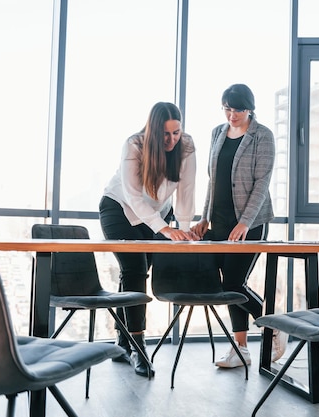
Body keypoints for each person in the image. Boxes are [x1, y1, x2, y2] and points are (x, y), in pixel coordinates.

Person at [99, 101, 198, 377]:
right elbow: (132, 196)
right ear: (153, 131)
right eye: (165, 135)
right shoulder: (134, 145)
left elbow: (187, 190)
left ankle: (123, 339)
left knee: (137, 271)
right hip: (118, 208)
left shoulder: (187, 146)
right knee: (135, 269)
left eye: (176, 133)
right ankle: (138, 348)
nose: (172, 140)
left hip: (155, 213)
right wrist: (165, 230)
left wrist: (184, 228)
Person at [191, 84, 286, 368]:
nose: (232, 116)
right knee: (227, 285)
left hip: (250, 223)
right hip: (217, 222)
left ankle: (273, 324)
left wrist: (244, 222)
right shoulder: (217, 133)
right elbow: (213, 179)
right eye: (227, 109)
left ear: (250, 109)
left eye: (238, 110)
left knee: (233, 282)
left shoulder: (262, 136)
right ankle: (240, 348)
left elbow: (262, 183)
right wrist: (204, 216)